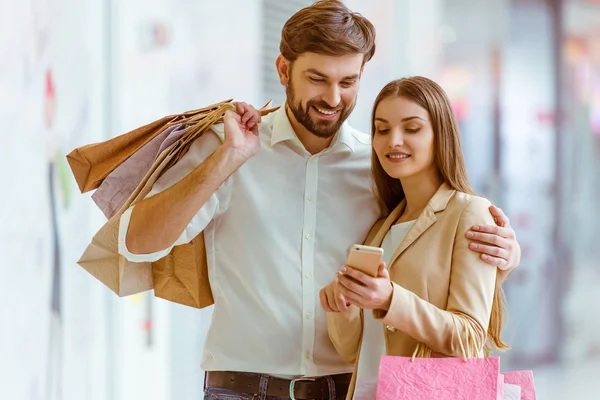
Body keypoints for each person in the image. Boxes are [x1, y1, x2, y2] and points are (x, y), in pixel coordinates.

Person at [118, 2, 520, 399]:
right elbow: (139, 244)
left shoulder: (380, 165)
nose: (332, 97)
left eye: (348, 82)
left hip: (348, 389)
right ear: (283, 70)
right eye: (317, 78)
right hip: (241, 389)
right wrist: (226, 160)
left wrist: (502, 256)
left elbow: (431, 236)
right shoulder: (231, 149)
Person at [321, 76, 512, 400]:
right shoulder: (382, 227)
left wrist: (390, 300)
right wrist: (341, 306)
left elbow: (469, 337)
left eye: (411, 128)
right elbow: (354, 350)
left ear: (441, 135)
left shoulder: (469, 213)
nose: (393, 141)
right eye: (382, 129)